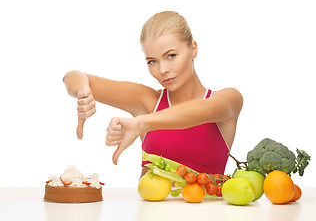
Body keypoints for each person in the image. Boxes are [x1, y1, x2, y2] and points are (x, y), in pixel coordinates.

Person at [63, 11, 243, 178]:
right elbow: (73, 76)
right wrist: (82, 91)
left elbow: (201, 111)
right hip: (149, 212)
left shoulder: (229, 99)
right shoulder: (148, 102)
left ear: (193, 49)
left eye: (171, 56)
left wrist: (141, 123)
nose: (162, 70)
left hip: (210, 213)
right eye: (152, 61)